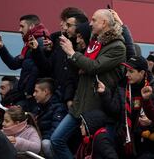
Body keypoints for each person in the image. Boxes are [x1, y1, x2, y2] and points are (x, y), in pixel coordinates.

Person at [50, 9, 126, 159]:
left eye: (94, 20)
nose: (90, 24)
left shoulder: (117, 46)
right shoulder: (94, 43)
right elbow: (82, 67)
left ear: (104, 23)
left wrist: (72, 53)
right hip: (79, 104)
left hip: (97, 108)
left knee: (98, 151)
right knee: (56, 140)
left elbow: (94, 66)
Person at [0, 14, 49, 111]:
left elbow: (43, 68)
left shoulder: (41, 43)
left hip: (35, 98)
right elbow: (13, 64)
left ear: (32, 26)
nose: (19, 30)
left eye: (22, 26)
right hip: (28, 97)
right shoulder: (28, 46)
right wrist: (1, 47)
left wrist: (29, 92)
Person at [121, 55, 154, 158]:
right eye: (126, 71)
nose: (127, 74)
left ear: (141, 73)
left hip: (149, 142)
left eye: (131, 71)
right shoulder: (125, 85)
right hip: (128, 141)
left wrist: (152, 121)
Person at [33, 78, 67, 158]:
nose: (34, 94)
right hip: (39, 139)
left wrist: (37, 140)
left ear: (46, 92)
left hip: (49, 144)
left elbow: (55, 132)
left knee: (46, 144)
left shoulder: (59, 108)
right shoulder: (39, 106)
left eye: (36, 91)